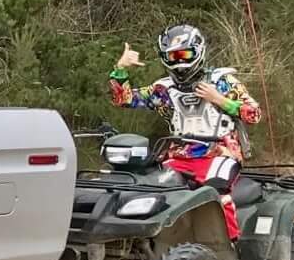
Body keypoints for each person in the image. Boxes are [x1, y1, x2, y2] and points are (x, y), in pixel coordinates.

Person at [109, 24, 261, 240]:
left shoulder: (222, 81)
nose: (179, 62)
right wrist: (121, 68)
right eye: (172, 56)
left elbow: (254, 114)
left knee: (215, 195)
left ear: (198, 51)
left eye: (184, 54)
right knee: (151, 191)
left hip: (220, 155)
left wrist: (220, 99)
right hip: (179, 155)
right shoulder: (164, 89)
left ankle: (228, 247)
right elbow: (123, 99)